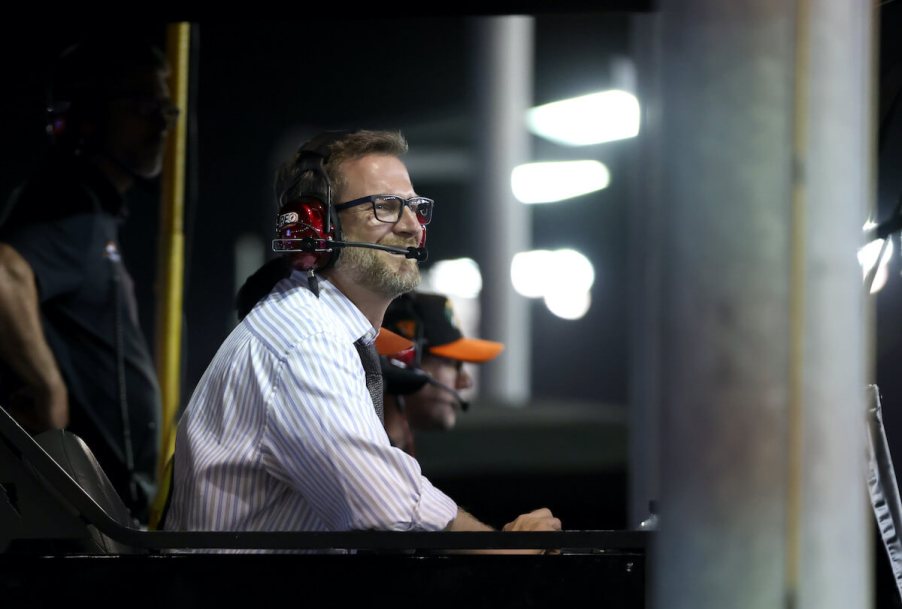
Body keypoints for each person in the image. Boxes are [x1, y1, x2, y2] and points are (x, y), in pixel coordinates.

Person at [165, 129, 560, 551]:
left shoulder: (324, 329)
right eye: (385, 208)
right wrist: (502, 549)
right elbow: (383, 507)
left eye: (415, 208)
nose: (412, 227)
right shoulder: (305, 338)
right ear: (317, 225)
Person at [0, 36, 176, 522]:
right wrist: (47, 388)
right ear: (87, 115)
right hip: (73, 517)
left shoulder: (95, 212)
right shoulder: (66, 201)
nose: (162, 122)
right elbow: (3, 274)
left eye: (166, 107)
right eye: (143, 104)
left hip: (97, 511)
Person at [380, 291, 504, 456]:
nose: (465, 382)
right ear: (401, 363)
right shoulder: (362, 458)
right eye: (452, 364)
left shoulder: (391, 458)